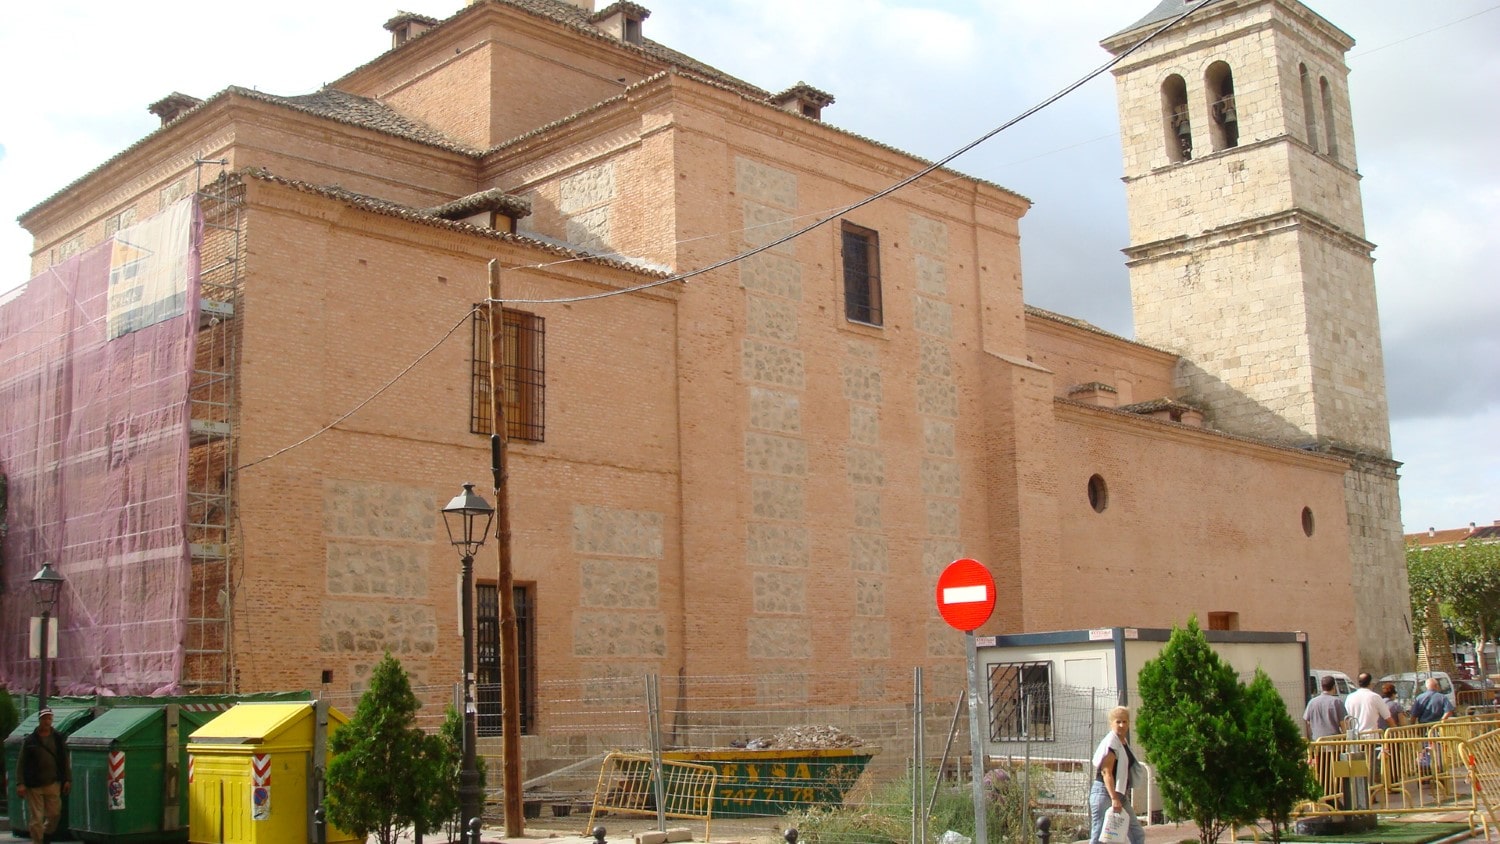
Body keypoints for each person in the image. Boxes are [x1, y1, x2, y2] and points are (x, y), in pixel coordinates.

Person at [1090, 706, 1146, 844]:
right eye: (1118, 721)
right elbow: (1106, 772)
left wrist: (1119, 796)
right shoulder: (1111, 743)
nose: (1121, 725)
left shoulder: (1123, 742)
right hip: (1105, 793)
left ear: (1129, 723)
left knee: (1137, 833)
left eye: (1124, 721)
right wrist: (1114, 798)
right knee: (1099, 836)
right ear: (1111, 723)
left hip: (1120, 794)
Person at [15, 708, 71, 844]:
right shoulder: (30, 740)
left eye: (49, 718)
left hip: (53, 783)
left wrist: (67, 779)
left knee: (54, 814)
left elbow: (64, 759)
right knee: (37, 818)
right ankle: (38, 841)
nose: (47, 721)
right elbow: (21, 762)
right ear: (40, 720)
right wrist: (20, 783)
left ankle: (46, 834)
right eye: (44, 719)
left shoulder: (57, 738)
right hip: (34, 785)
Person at [1305, 675, 1349, 739]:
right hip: (1334, 741)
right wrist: (1346, 739)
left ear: (1322, 687)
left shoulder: (1312, 702)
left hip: (1317, 741)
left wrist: (1310, 738)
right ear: (1334, 687)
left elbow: (1308, 723)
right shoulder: (1337, 702)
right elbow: (1343, 724)